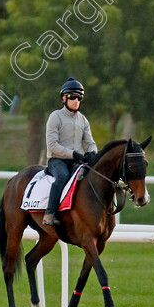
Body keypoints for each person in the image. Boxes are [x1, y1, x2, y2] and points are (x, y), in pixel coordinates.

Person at [43, 77, 97, 226]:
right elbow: (52, 145)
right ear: (63, 98)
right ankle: (49, 214)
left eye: (79, 97)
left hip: (76, 161)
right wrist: (73, 154)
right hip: (57, 160)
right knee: (62, 176)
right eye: (72, 97)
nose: (76, 100)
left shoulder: (83, 120)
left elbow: (90, 143)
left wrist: (92, 153)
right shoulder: (55, 117)